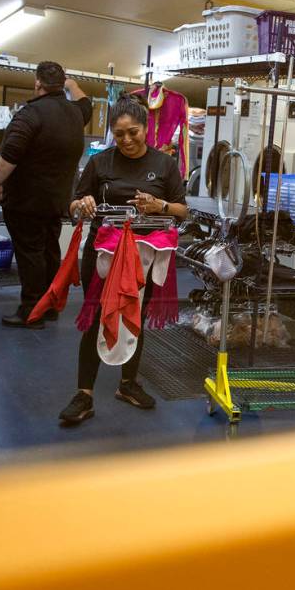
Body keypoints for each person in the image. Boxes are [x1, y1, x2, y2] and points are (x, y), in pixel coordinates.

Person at [59, 95, 188, 424]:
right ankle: (84, 394)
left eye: (133, 132)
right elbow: (72, 206)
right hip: (104, 253)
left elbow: (182, 210)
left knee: (136, 314)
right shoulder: (100, 163)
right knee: (98, 315)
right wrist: (83, 204)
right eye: (119, 134)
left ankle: (128, 384)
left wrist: (160, 206)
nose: (127, 140)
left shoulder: (165, 165)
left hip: (147, 255)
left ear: (145, 129)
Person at [0, 61, 92, 328]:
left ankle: (31, 311)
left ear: (37, 84)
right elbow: (86, 103)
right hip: (56, 201)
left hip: (26, 201)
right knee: (48, 251)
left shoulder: (31, 114)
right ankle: (49, 306)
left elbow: (11, 154)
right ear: (61, 83)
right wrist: (72, 85)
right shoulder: (75, 113)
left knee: (30, 254)